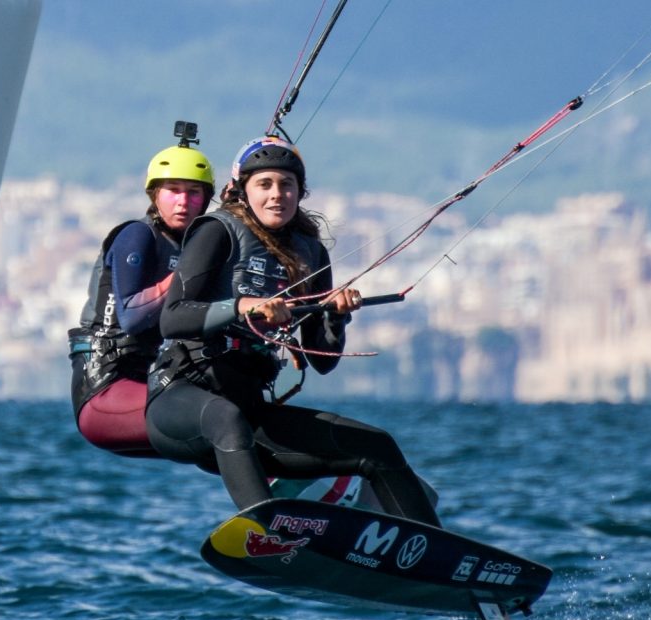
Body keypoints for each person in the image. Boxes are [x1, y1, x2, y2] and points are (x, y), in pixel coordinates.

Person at [144, 135, 440, 526]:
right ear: (242, 190)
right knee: (226, 417)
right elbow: (173, 317)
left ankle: (429, 550)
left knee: (377, 447)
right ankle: (267, 529)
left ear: (301, 191)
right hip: (181, 398)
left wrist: (336, 315)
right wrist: (242, 306)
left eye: (287, 185)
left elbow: (323, 361)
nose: (277, 195)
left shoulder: (310, 251)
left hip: (251, 412)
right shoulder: (217, 231)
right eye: (264, 184)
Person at [68, 124, 215, 455]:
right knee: (217, 416)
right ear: (154, 195)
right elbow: (133, 317)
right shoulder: (138, 236)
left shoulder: (196, 247)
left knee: (236, 413)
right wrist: (192, 271)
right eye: (173, 190)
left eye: (194, 192)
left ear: (206, 199)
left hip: (153, 379)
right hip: (104, 385)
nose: (183, 201)